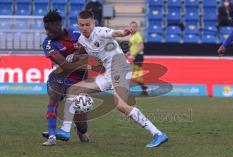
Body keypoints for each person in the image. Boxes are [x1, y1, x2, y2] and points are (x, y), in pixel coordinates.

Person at [64, 10, 168, 148]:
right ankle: (70, 130)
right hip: (109, 74)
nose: (84, 28)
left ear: (93, 23)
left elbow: (117, 33)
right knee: (73, 89)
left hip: (121, 69)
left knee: (121, 105)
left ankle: (158, 134)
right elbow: (84, 50)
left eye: (87, 24)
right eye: (81, 25)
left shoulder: (101, 31)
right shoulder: (82, 39)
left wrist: (125, 31)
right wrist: (75, 56)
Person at [41, 10, 102, 146]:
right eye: (45, 30)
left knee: (83, 126)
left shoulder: (76, 34)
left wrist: (79, 54)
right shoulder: (48, 43)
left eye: (49, 30)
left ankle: (79, 130)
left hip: (79, 81)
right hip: (59, 77)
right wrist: (88, 65)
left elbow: (90, 50)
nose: (47, 33)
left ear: (58, 26)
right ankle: (51, 136)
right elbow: (66, 67)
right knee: (53, 100)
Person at [128, 21, 148, 95]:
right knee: (135, 74)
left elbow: (141, 47)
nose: (132, 28)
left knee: (135, 75)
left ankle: (144, 88)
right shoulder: (132, 36)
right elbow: (133, 47)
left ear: (136, 28)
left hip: (138, 57)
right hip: (135, 57)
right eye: (131, 27)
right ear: (129, 27)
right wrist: (128, 53)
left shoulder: (137, 35)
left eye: (134, 27)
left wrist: (134, 55)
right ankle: (144, 88)